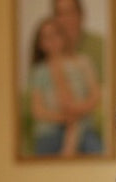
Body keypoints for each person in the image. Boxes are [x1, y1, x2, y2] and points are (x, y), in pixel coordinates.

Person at [28, 15, 103, 156]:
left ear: (63, 36)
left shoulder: (82, 62)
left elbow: (95, 95)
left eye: (55, 34)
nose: (52, 41)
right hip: (50, 131)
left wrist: (78, 110)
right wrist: (64, 118)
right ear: (40, 44)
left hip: (82, 126)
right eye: (46, 37)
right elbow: (37, 110)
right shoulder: (40, 71)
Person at [52, 0, 105, 83]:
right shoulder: (49, 48)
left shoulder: (100, 45)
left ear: (81, 14)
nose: (65, 19)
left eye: (69, 12)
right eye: (60, 13)